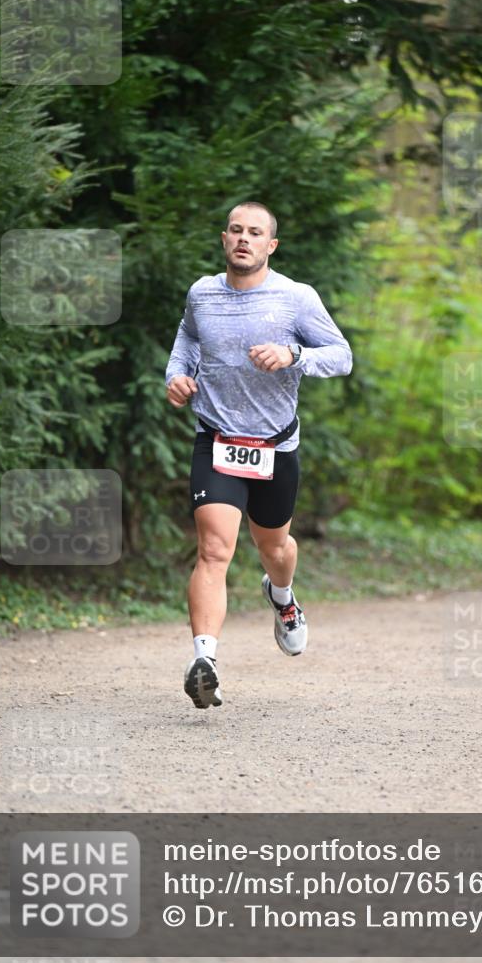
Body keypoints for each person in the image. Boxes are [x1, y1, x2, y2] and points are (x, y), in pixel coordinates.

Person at [165, 201, 352, 709]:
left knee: (276, 549)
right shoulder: (202, 294)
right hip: (217, 439)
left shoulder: (295, 298)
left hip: (275, 446)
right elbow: (186, 341)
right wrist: (176, 377)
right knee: (214, 550)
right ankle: (204, 660)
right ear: (225, 239)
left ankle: (282, 595)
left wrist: (295, 355)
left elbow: (342, 355)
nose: (243, 238)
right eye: (235, 230)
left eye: (255, 232)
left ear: (271, 245)